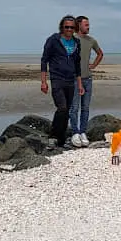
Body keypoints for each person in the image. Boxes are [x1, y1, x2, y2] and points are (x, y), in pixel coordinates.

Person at [41, 15, 85, 148]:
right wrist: (43, 81)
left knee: (67, 111)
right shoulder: (54, 40)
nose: (69, 30)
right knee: (62, 108)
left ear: (75, 28)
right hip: (57, 79)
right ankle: (53, 136)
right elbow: (44, 60)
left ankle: (61, 140)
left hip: (70, 80)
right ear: (62, 27)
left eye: (72, 27)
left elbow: (77, 65)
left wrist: (79, 84)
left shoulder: (77, 43)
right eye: (67, 27)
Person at [69, 15, 104, 147]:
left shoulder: (91, 40)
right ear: (78, 25)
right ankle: (75, 132)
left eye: (88, 24)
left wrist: (94, 65)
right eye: (86, 25)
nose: (88, 27)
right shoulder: (72, 40)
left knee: (85, 107)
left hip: (87, 78)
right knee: (74, 107)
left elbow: (100, 53)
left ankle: (83, 132)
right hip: (73, 79)